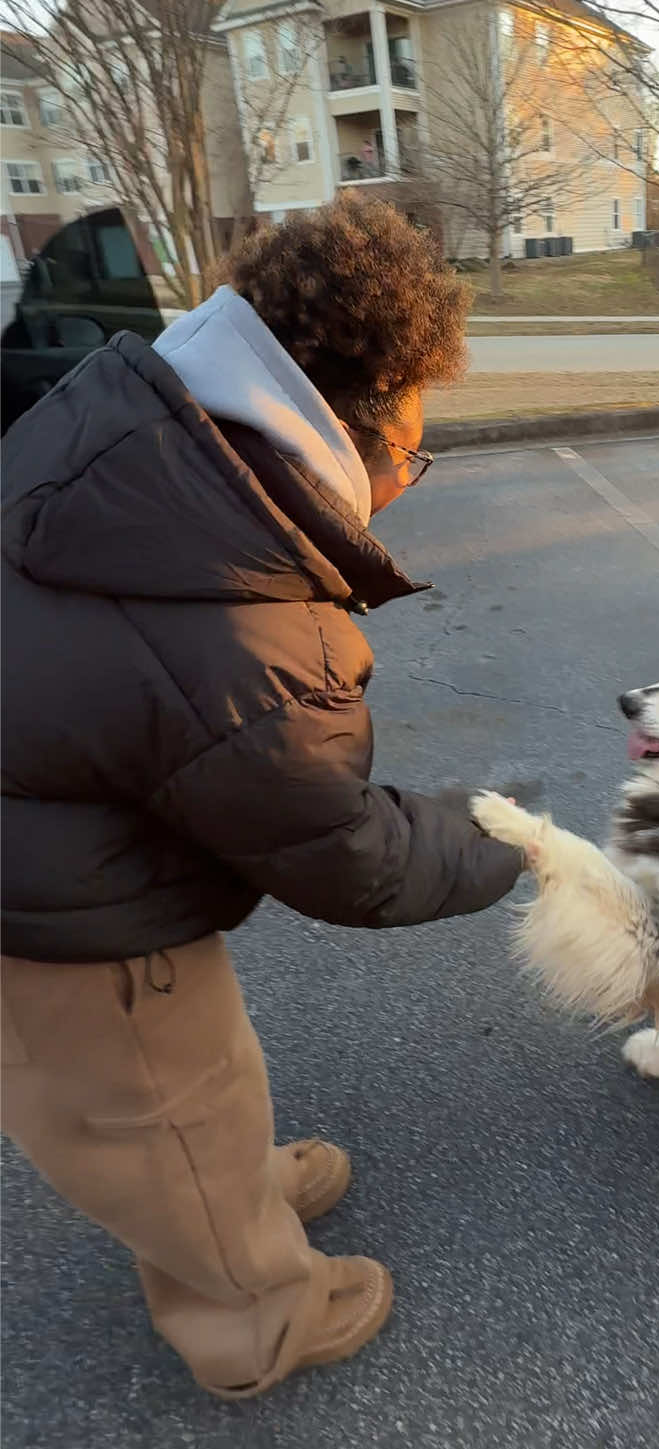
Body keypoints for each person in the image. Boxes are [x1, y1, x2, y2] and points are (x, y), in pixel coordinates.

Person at [0, 196, 522, 1399]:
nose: (409, 472)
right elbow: (350, 856)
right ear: (360, 418)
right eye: (418, 445)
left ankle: (225, 1174)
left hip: (65, 826)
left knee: (199, 1066)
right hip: (54, 920)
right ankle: (252, 1314)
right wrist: (498, 835)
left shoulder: (123, 429)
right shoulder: (250, 636)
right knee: (148, 1110)